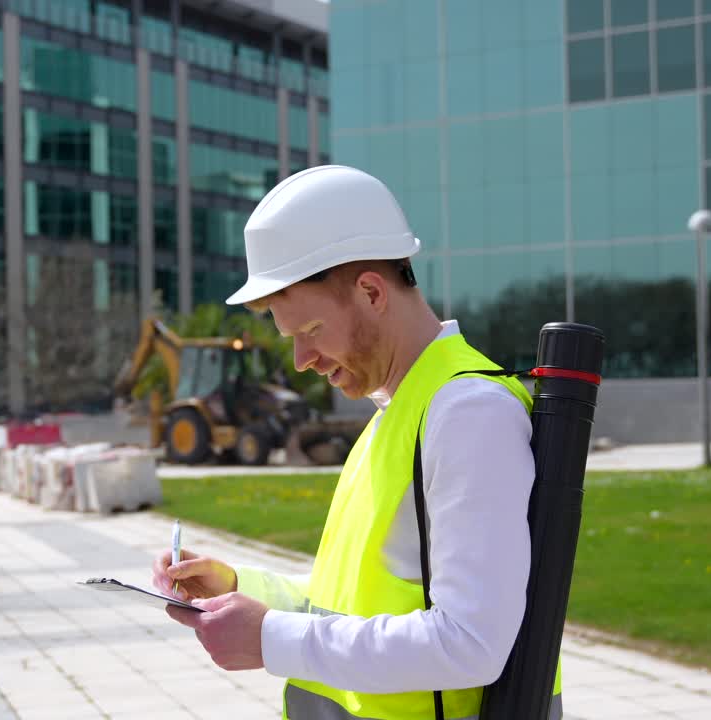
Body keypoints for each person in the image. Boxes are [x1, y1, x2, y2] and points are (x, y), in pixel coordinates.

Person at [151, 165, 562, 719]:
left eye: (311, 332)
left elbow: (470, 643)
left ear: (371, 291)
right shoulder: (398, 413)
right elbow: (349, 599)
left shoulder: (467, 414)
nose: (302, 361)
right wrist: (239, 586)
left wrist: (270, 640)